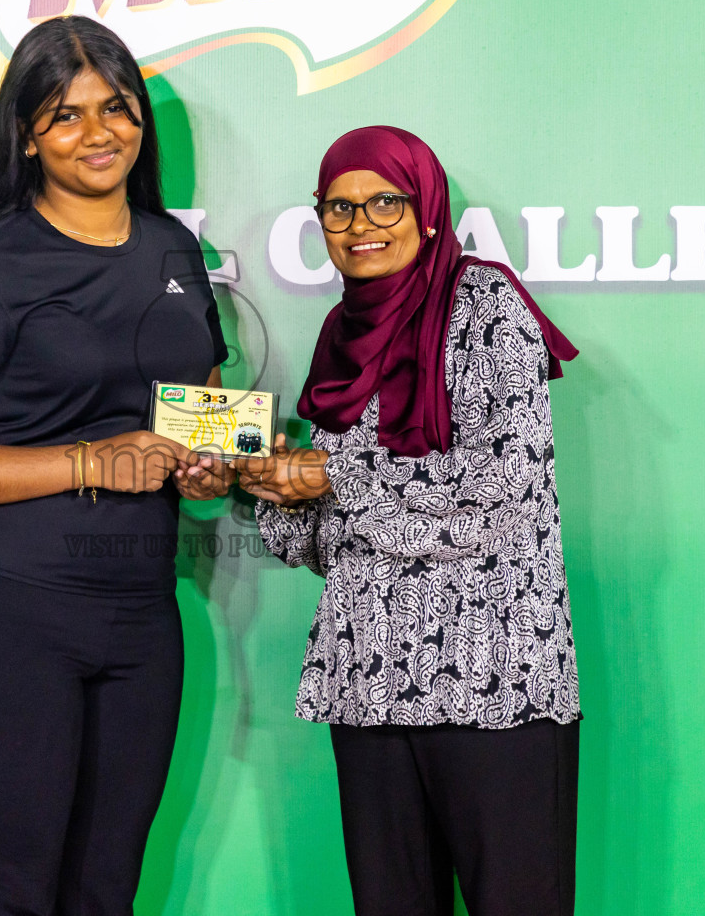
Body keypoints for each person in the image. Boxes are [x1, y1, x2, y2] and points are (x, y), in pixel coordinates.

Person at [0, 15, 233, 916]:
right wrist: (89, 460)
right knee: (11, 894)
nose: (99, 133)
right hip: (2, 617)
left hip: (140, 622)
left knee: (105, 892)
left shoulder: (173, 251)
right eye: (66, 115)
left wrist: (209, 468)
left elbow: (194, 416)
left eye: (116, 108)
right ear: (28, 134)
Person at [234, 126, 582, 916]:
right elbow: (335, 540)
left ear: (427, 210)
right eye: (338, 208)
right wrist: (271, 488)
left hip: (493, 681)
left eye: (384, 202)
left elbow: (503, 490)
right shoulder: (340, 334)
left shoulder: (487, 305)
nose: (361, 225)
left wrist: (333, 477)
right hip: (368, 683)